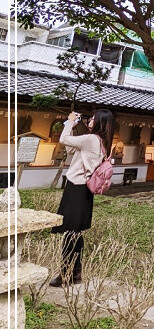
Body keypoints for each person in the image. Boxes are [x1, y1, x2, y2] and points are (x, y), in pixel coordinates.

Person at [50, 109, 115, 286]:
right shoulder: (101, 141)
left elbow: (63, 139)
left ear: (100, 121)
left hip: (77, 188)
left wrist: (70, 121)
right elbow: (71, 149)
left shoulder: (91, 139)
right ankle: (75, 273)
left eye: (93, 119)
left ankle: (66, 274)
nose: (90, 120)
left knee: (70, 233)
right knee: (75, 233)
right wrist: (72, 127)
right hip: (84, 190)